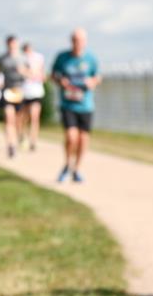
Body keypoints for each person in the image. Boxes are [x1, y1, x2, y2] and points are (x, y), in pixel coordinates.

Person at [51, 28, 101, 183]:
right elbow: (53, 74)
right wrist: (61, 81)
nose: (77, 43)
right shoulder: (62, 57)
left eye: (80, 40)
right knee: (71, 137)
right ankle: (67, 164)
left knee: (83, 139)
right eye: (75, 40)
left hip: (85, 105)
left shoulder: (91, 59)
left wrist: (92, 82)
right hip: (68, 104)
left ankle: (77, 169)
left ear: (85, 42)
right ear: (71, 41)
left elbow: (97, 76)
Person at [0, 35, 29, 158]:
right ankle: (11, 145)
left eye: (13, 44)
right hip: (7, 91)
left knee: (18, 121)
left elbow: (32, 74)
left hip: (20, 91)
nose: (11, 46)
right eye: (9, 44)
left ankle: (20, 136)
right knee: (9, 119)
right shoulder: (2, 59)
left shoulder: (23, 58)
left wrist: (23, 72)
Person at [19, 42, 46, 151]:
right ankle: (22, 136)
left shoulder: (39, 58)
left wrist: (39, 75)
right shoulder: (20, 59)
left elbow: (43, 75)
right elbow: (21, 72)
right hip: (24, 92)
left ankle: (33, 141)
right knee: (24, 117)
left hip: (36, 92)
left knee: (35, 117)